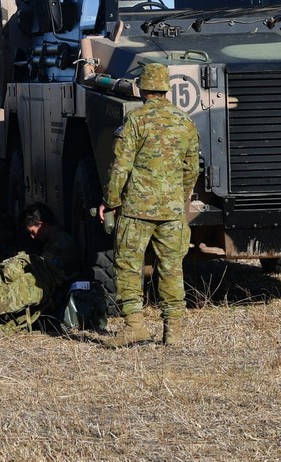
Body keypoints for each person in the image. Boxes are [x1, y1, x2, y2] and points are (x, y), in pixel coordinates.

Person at [99, 63, 199, 348]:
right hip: (172, 211)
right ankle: (173, 331)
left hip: (136, 210)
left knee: (129, 265)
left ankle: (134, 326)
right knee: (171, 267)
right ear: (166, 88)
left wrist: (111, 201)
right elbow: (191, 168)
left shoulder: (136, 120)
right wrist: (180, 199)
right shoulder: (184, 121)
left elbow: (120, 167)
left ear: (142, 88)